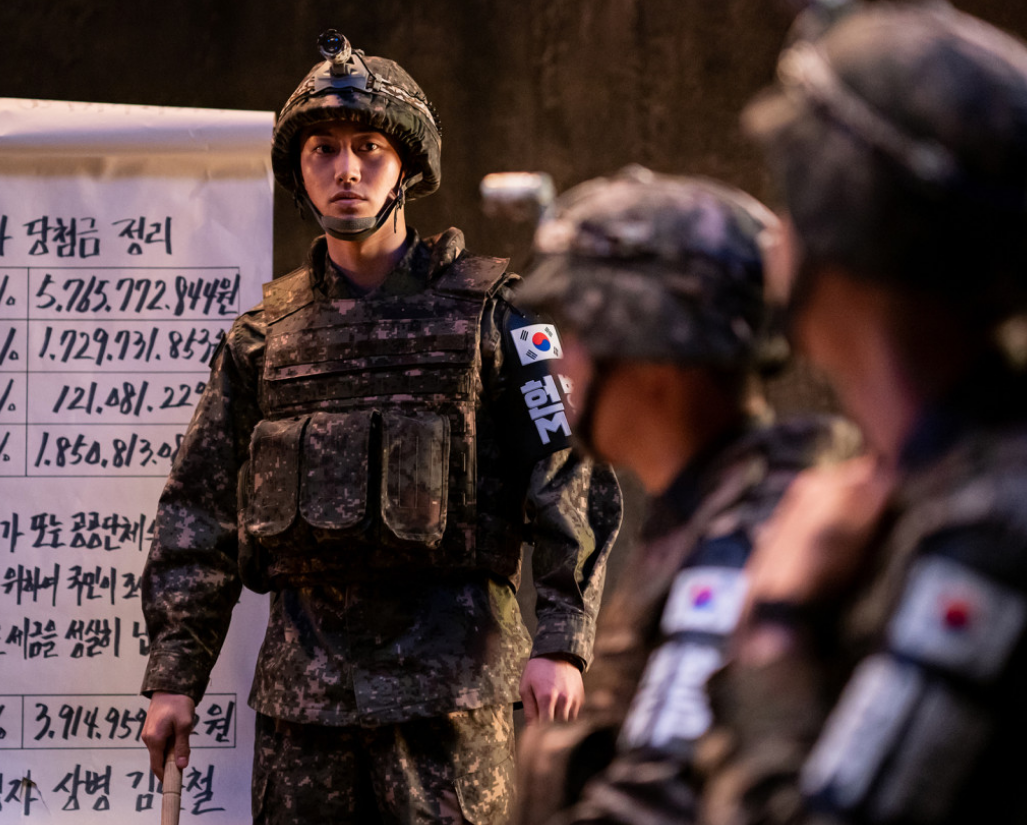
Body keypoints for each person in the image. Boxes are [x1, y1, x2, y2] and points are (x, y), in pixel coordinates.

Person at [138, 30, 619, 824]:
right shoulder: (262, 339)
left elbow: (568, 473)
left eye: (369, 148)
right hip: (304, 710)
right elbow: (198, 512)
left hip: (449, 702)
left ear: (406, 167)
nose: (346, 170)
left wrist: (561, 639)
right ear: (299, 169)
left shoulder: (497, 318)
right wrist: (173, 675)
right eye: (322, 149)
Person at [698, 4, 1027, 823]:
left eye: (788, 203)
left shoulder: (985, 531)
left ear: (832, 227)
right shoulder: (931, 479)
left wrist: (773, 630)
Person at [511, 166, 859, 825]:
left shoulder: (741, 543)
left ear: (653, 362)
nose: (561, 362)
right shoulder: (702, 514)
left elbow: (654, 804)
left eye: (580, 336)